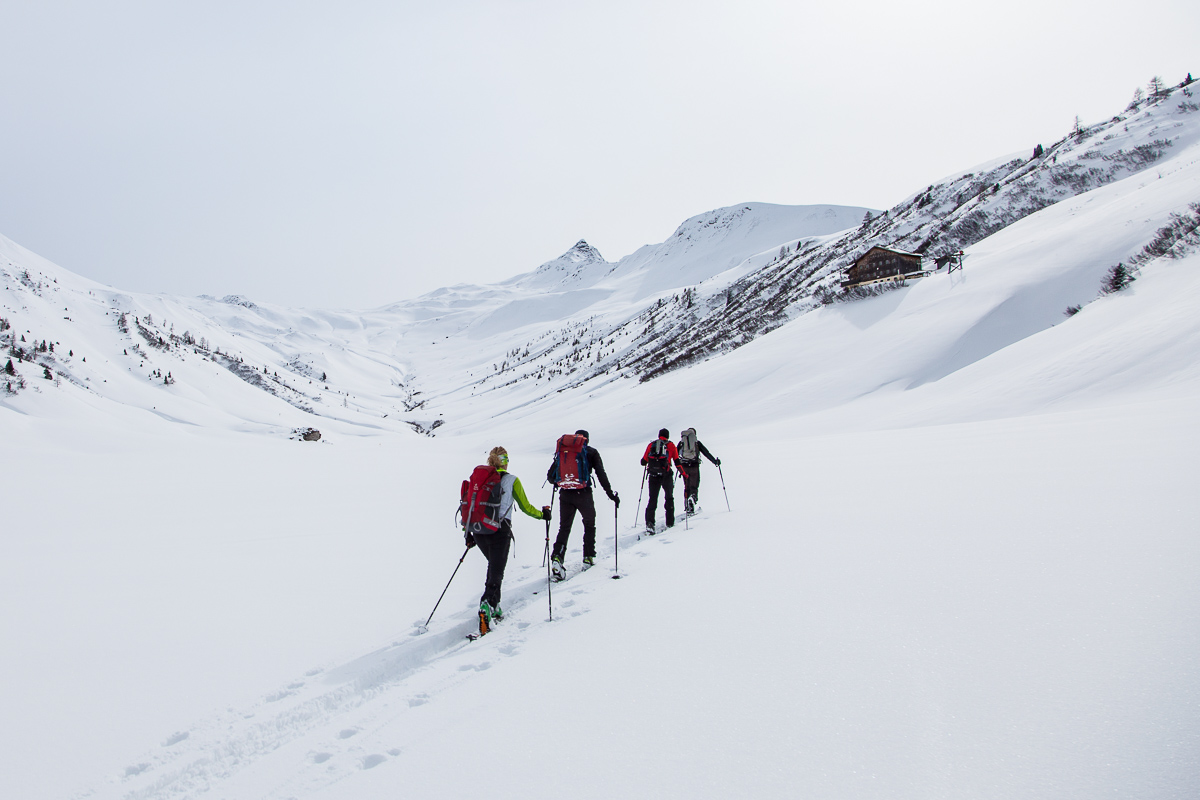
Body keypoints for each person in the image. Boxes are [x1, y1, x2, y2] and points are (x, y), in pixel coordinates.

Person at [466, 446, 550, 634]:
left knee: (495, 567)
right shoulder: (512, 480)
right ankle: (486, 604)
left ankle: (495, 606)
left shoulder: (480, 479)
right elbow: (526, 507)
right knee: (496, 571)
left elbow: (470, 505)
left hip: (478, 530)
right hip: (500, 530)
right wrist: (543, 515)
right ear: (506, 461)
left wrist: (468, 533)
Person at [547, 429, 618, 580]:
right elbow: (601, 474)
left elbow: (550, 476)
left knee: (564, 528)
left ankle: (557, 559)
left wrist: (560, 482)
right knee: (589, 524)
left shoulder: (564, 451)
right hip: (584, 494)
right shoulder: (591, 452)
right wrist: (610, 494)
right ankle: (588, 556)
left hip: (565, 494)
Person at [640, 428, 686, 533]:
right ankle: (670, 522)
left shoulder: (651, 445)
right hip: (666, 475)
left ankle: (650, 523)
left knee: (652, 499)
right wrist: (684, 474)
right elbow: (677, 462)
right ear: (668, 436)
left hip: (653, 476)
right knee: (669, 498)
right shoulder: (671, 445)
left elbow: (643, 461)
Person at [677, 427, 720, 515]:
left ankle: (687, 507)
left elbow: (675, 454)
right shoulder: (696, 443)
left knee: (687, 486)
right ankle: (692, 499)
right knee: (694, 485)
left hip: (684, 467)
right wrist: (715, 461)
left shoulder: (681, 443)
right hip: (694, 466)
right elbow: (706, 453)